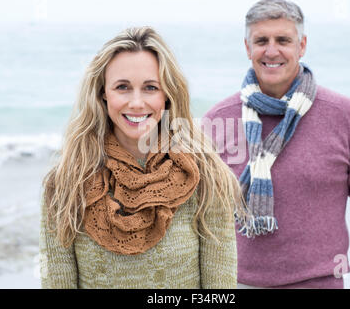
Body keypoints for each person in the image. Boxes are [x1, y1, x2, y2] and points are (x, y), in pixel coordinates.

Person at [203, 0, 350, 289]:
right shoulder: (217, 120)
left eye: (283, 40)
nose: (272, 50)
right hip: (236, 284)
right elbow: (199, 218)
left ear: (301, 46)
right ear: (247, 47)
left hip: (321, 282)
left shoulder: (345, 116)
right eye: (261, 40)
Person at [40, 26, 243, 288]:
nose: (136, 103)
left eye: (150, 88)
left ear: (167, 95)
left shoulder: (206, 177)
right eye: (122, 87)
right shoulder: (66, 183)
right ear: (103, 93)